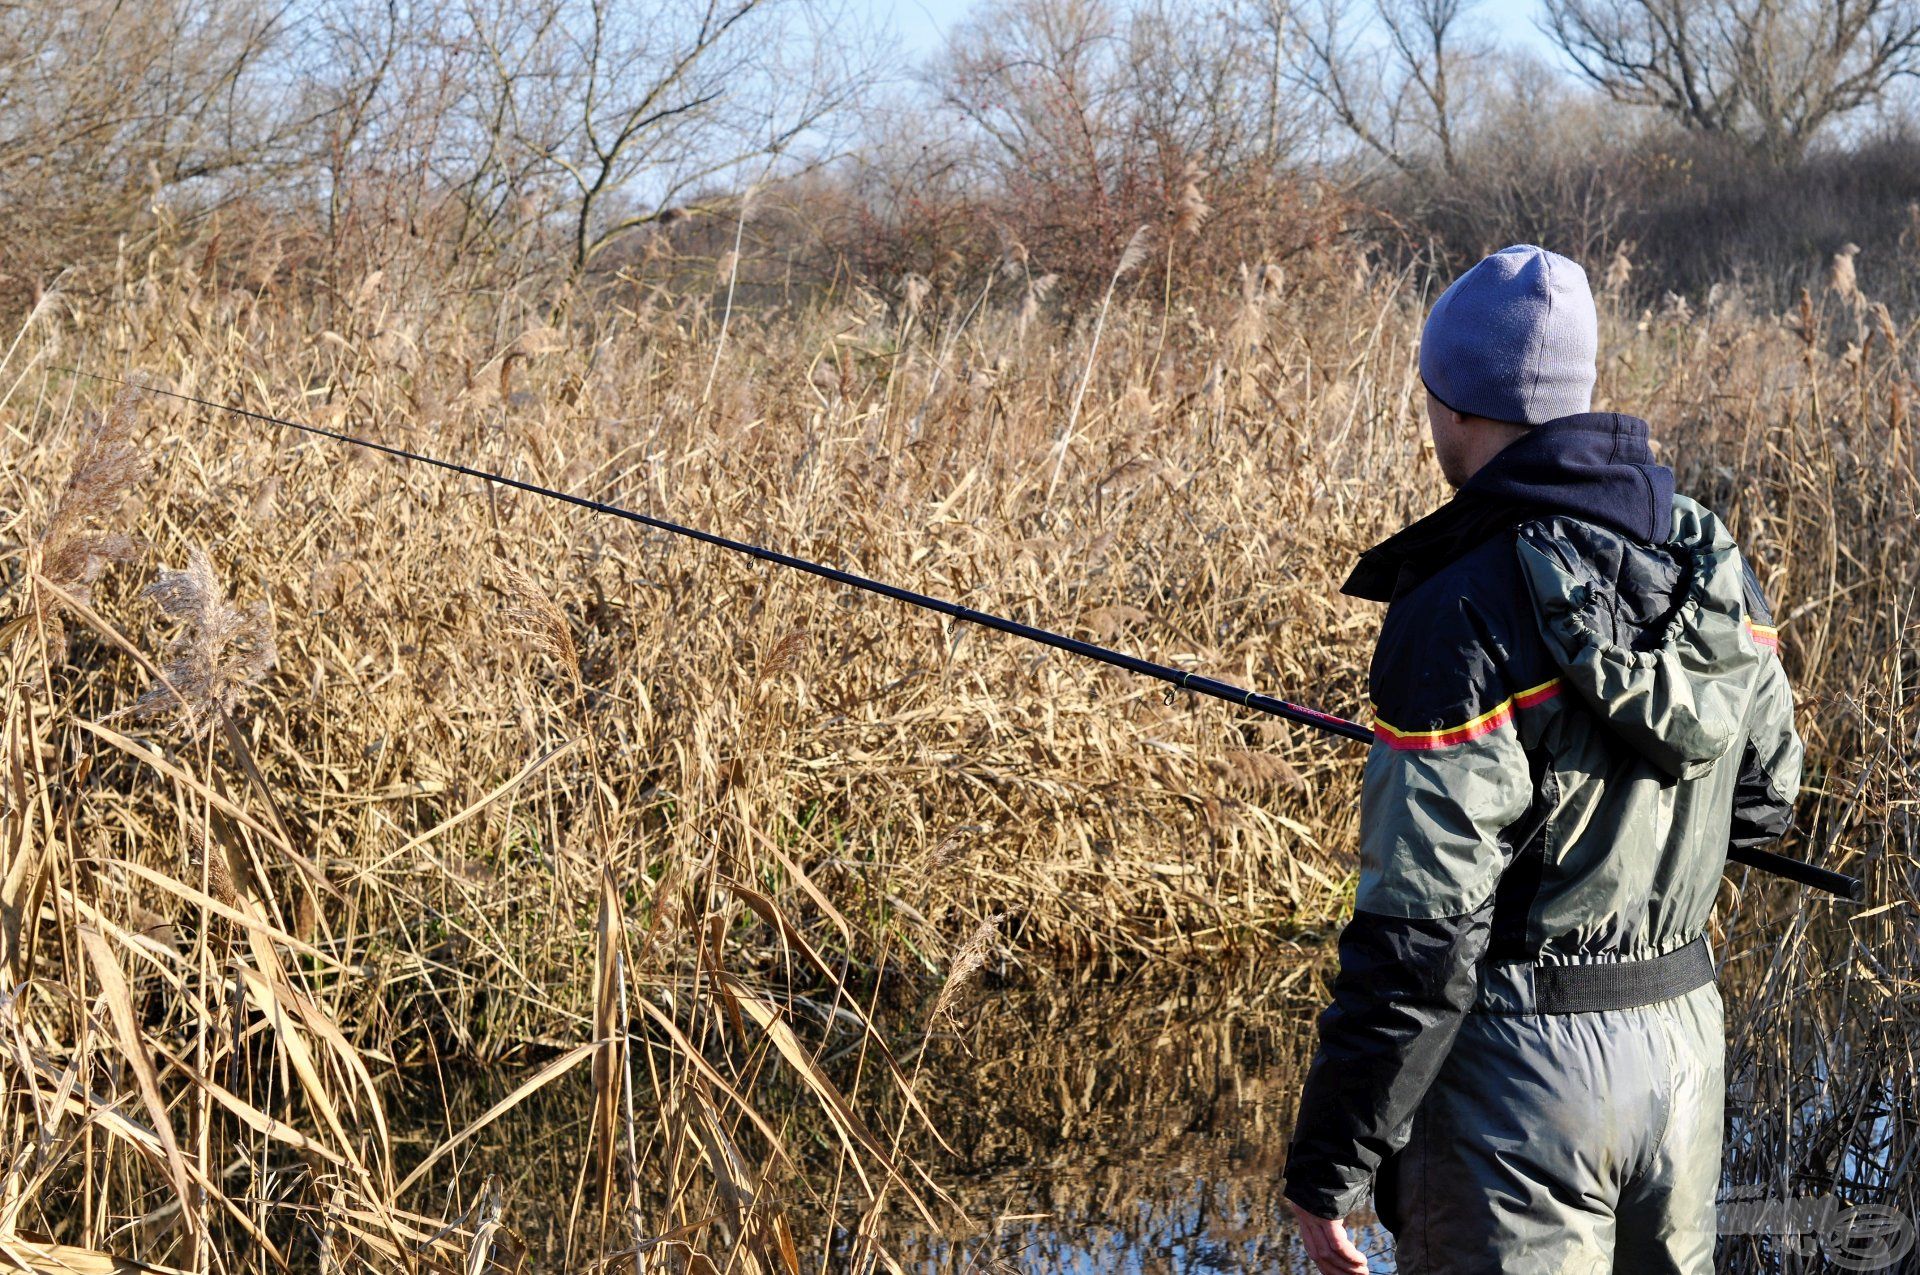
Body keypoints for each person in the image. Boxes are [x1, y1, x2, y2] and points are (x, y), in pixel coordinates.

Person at [1280, 245, 1804, 1275]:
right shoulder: (1708, 557)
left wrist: (1329, 1168)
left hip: (1514, 1085)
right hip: (1684, 1063)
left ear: (1453, 398)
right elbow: (1764, 801)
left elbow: (1422, 932)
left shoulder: (1458, 608)